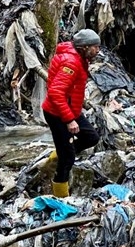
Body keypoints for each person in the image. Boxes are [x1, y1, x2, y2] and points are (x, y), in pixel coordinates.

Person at [41, 29, 101, 198]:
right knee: (67, 159)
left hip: (70, 109)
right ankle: (61, 197)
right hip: (57, 113)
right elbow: (56, 93)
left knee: (91, 137)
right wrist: (69, 120)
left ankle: (56, 157)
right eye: (95, 47)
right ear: (85, 47)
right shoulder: (71, 62)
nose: (98, 51)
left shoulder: (79, 58)